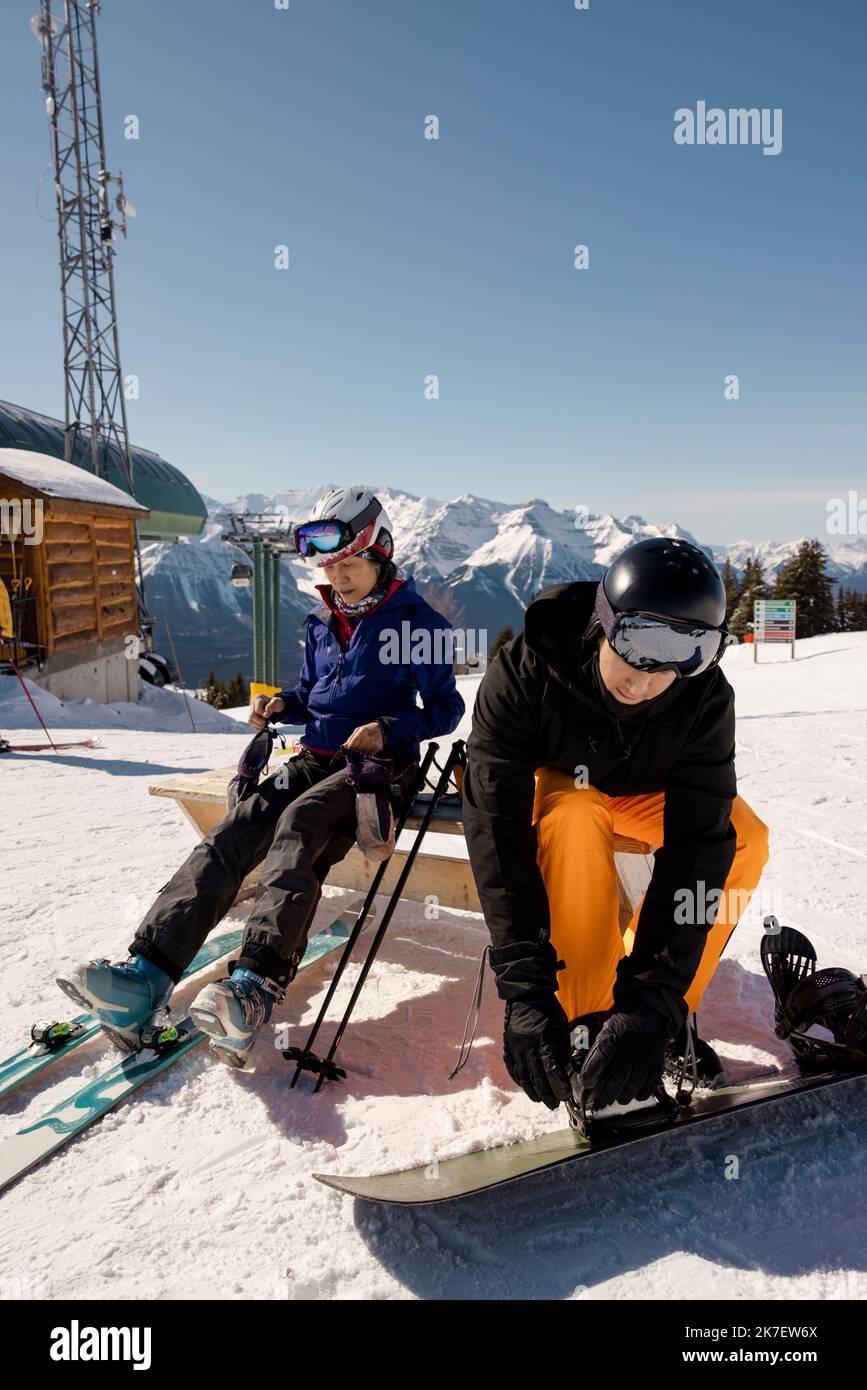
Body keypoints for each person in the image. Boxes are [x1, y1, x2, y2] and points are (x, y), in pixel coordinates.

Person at [58, 487, 464, 1066]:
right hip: (315, 755)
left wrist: (386, 727)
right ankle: (146, 975)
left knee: (298, 825)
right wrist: (282, 705)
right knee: (236, 829)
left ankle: (254, 986)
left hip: (378, 766)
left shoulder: (419, 624)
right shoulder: (321, 621)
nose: (338, 577)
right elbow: (313, 696)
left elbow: (447, 710)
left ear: (381, 556)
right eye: (329, 565)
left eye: (349, 564)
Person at [462, 537, 769, 1115]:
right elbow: (496, 827)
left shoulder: (703, 699)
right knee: (576, 813)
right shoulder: (525, 671)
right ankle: (583, 1021)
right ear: (605, 622)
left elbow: (698, 846)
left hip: (645, 792)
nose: (644, 681)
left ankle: (653, 1018)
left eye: (676, 661)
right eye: (634, 648)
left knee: (745, 838)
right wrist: (527, 989)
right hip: (563, 786)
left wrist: (652, 999)